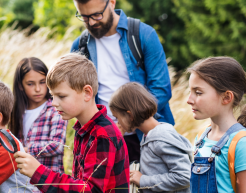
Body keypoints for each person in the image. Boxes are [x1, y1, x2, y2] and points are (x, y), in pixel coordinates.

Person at [70, 0, 174, 163]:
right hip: (103, 141)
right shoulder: (79, 46)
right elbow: (78, 96)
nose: (91, 22)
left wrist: (126, 123)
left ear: (112, 2)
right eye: (84, 17)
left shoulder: (144, 35)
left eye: (96, 15)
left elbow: (161, 90)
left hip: (149, 137)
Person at [14, 53, 129, 192]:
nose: (54, 103)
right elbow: (80, 181)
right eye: (52, 96)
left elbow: (89, 190)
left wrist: (38, 172)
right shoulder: (84, 129)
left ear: (87, 93)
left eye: (61, 96)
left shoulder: (102, 135)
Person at [187, 57, 246, 192]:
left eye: (198, 93)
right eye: (190, 92)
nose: (189, 100)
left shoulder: (241, 143)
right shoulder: (201, 138)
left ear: (226, 97)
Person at [109, 82, 191, 193]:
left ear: (130, 115)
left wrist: (143, 180)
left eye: (117, 117)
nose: (118, 123)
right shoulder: (148, 136)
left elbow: (184, 177)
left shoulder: (161, 139)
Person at [9, 57, 67, 175]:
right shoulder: (17, 112)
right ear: (20, 85)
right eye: (30, 84)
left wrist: (25, 150)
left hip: (48, 182)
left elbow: (57, 145)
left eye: (42, 82)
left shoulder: (55, 109)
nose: (38, 89)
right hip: (22, 182)